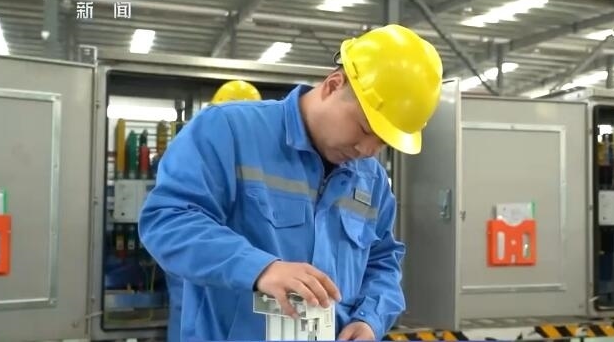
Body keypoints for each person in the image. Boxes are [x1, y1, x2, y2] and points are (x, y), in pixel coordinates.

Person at [138, 24, 443, 341]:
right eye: (365, 129)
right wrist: (260, 268)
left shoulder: (372, 179)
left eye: (382, 142)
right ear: (333, 85)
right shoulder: (228, 131)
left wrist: (369, 320)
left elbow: (382, 262)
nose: (367, 150)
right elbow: (168, 220)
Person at [162, 79, 263, 342]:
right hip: (202, 263)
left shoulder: (261, 158)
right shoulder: (196, 145)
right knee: (189, 308)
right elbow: (173, 218)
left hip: (242, 280)